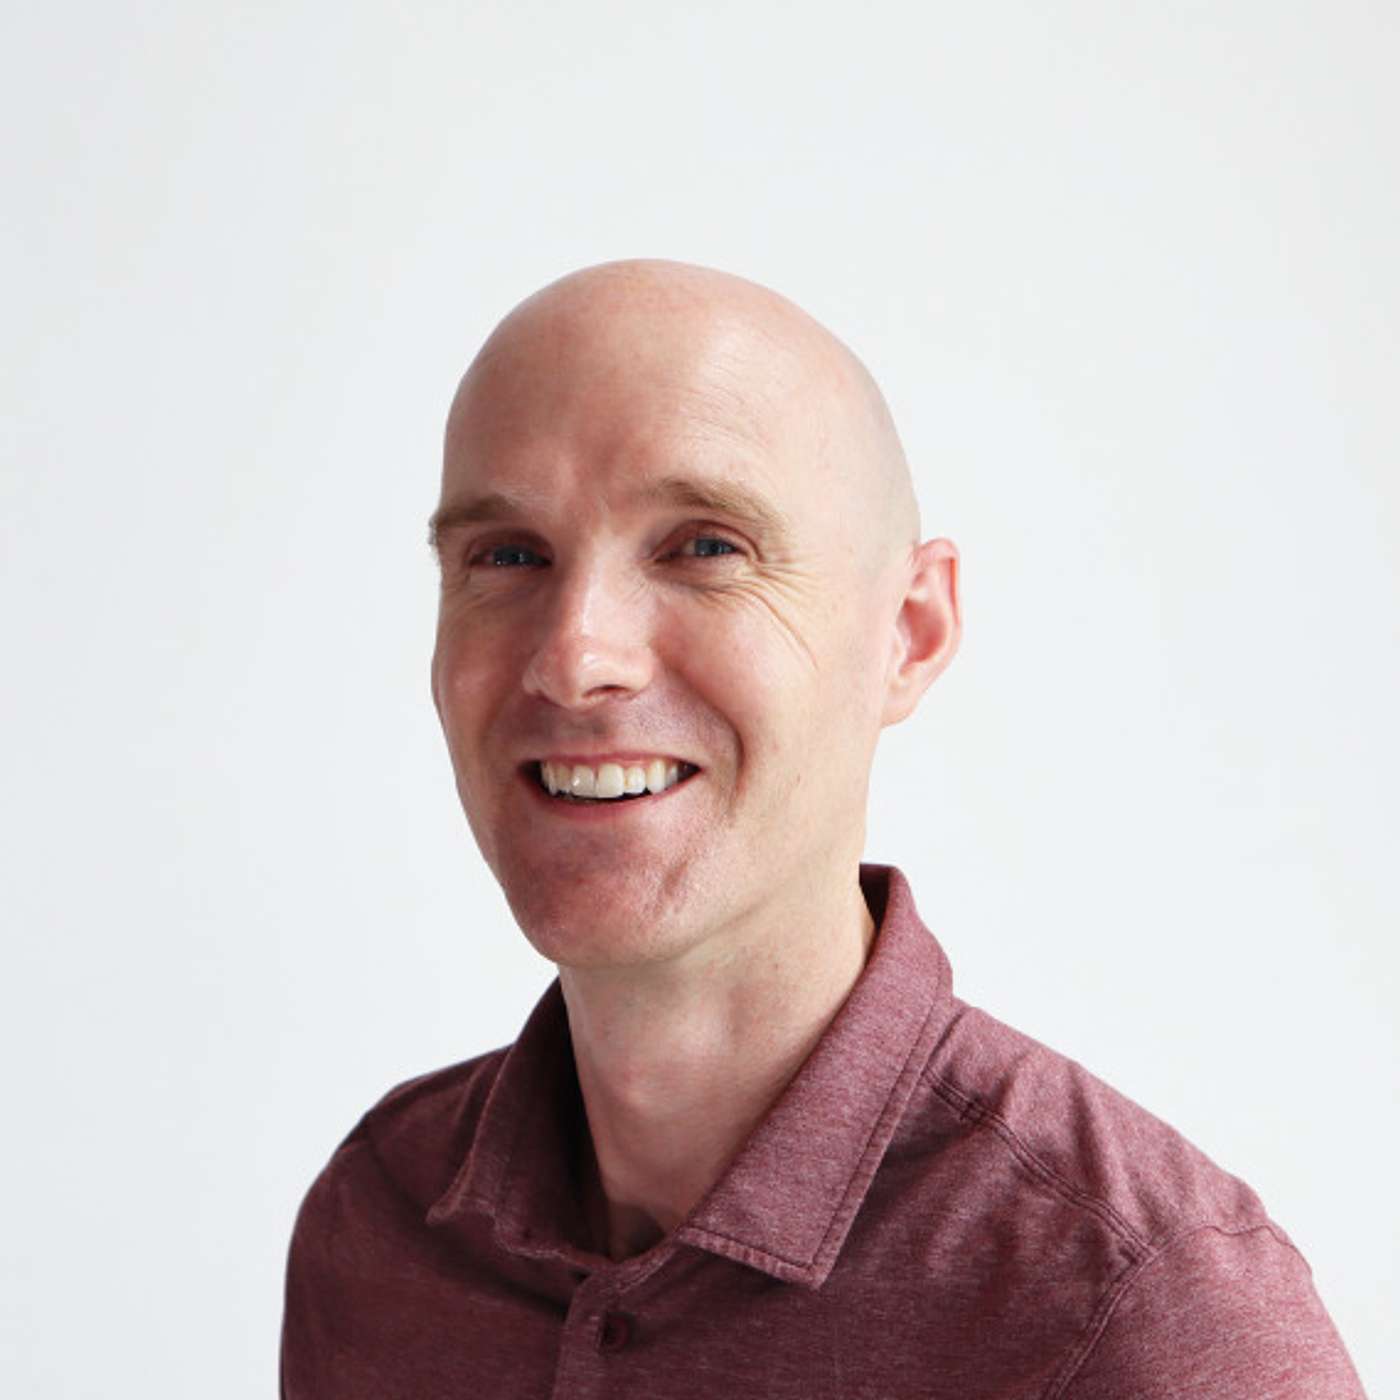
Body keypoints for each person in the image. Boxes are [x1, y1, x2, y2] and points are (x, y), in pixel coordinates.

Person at [280, 260, 1364, 1398]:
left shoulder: (1144, 1314)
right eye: (506, 555)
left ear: (910, 632)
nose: (576, 655)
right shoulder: (381, 1224)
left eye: (704, 546)